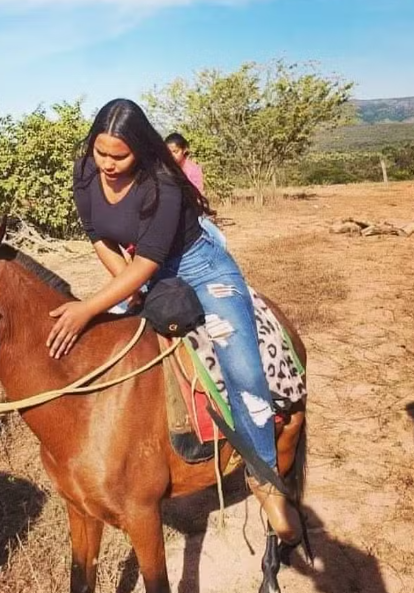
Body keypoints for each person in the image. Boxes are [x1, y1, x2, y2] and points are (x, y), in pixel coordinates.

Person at [45, 98, 301, 544]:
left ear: (141, 150)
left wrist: (88, 306)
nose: (107, 164)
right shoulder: (86, 171)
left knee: (241, 366)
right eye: (100, 152)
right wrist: (127, 286)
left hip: (203, 270)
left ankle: (264, 478)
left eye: (119, 156)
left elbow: (147, 263)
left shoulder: (161, 183)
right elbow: (98, 236)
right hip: (141, 271)